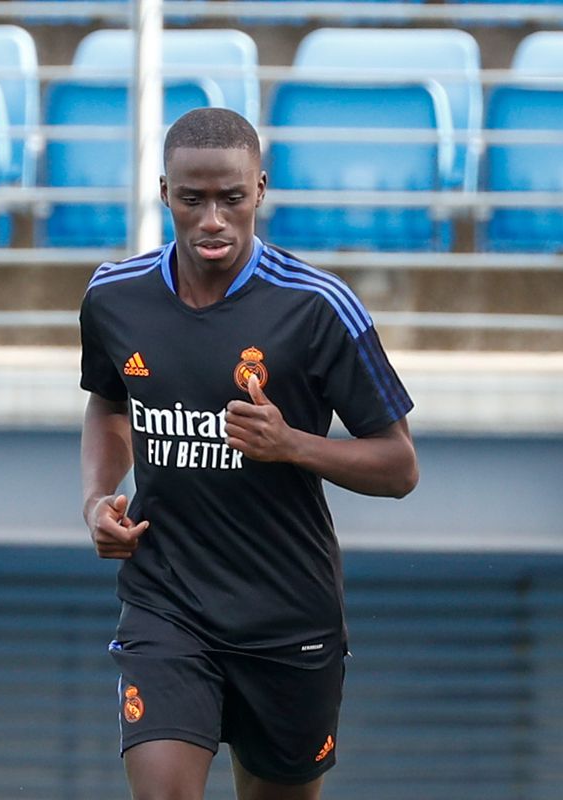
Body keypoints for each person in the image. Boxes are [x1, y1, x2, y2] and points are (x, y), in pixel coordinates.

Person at [79, 107, 418, 800]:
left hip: (287, 619)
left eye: (231, 199)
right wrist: (96, 498)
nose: (212, 220)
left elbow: (399, 466)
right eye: (192, 199)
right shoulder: (115, 297)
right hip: (166, 604)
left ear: (260, 188)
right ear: (164, 191)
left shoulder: (319, 308)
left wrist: (290, 443)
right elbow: (109, 403)